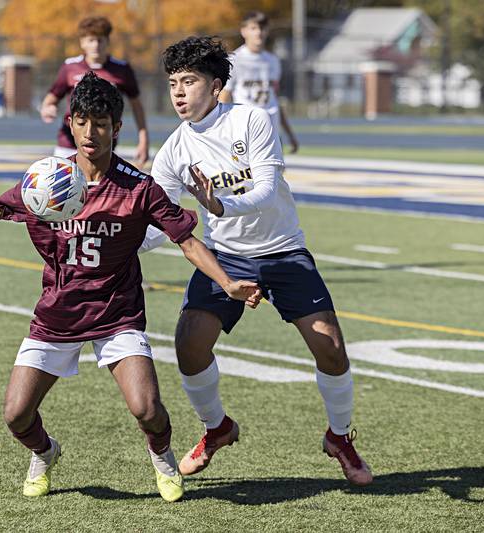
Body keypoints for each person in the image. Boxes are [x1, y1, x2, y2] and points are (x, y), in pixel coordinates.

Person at [0, 72, 262, 501]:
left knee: (148, 409)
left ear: (116, 129)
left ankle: (161, 456)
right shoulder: (48, 179)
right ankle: (45, 453)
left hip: (116, 314)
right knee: (16, 415)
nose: (90, 132)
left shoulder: (139, 188)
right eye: (82, 121)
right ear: (70, 123)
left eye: (101, 123)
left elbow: (187, 242)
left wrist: (228, 283)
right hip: (57, 314)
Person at [141, 36, 372, 485]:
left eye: (190, 81)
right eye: (173, 83)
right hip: (226, 258)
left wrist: (221, 205)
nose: (179, 93)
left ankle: (340, 437)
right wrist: (112, 243)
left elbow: (265, 192)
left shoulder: (251, 120)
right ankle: (217, 428)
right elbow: (160, 224)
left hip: (284, 250)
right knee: (189, 345)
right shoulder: (172, 152)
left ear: (217, 85)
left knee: (331, 346)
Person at [39, 16, 149, 166]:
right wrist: (47, 108)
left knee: (100, 188)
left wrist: (143, 139)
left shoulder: (121, 70)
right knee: (62, 187)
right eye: (91, 40)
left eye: (100, 40)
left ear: (107, 41)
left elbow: (136, 105)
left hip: (104, 143)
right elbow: (51, 98)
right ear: (82, 42)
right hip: (68, 143)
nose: (96, 45)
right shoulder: (70, 67)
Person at [219, 11, 299, 154]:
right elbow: (224, 97)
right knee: (245, 175)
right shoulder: (234, 60)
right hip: (246, 130)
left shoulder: (273, 61)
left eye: (262, 28)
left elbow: (274, 99)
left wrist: (289, 134)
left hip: (271, 130)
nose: (259, 32)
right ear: (243, 31)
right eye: (254, 28)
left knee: (274, 175)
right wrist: (223, 130)